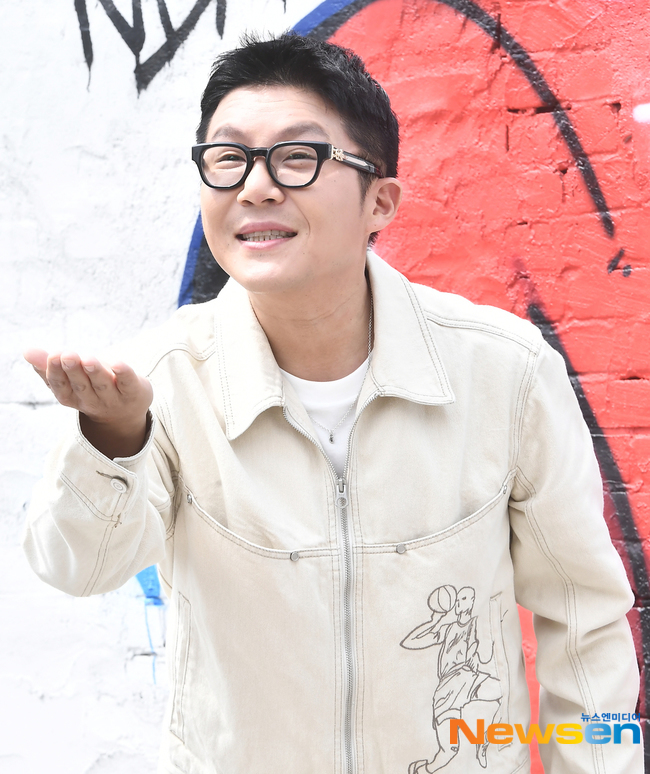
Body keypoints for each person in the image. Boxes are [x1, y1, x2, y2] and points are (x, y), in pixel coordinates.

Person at [23, 33, 642, 774]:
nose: (256, 187)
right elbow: (77, 568)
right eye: (228, 158)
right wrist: (112, 439)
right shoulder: (165, 380)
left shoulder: (504, 372)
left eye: (297, 157)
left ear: (380, 200)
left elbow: (586, 619)